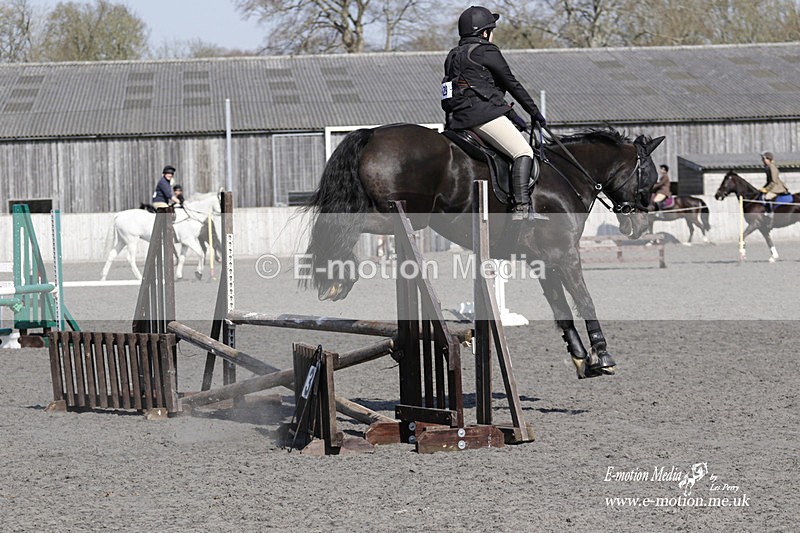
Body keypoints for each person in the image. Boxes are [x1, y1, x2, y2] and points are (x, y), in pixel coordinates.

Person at [441, 5, 547, 220]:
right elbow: (512, 84)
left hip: (458, 121)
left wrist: (514, 117)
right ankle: (521, 207)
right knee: (523, 152)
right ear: (484, 32)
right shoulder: (487, 51)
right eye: (491, 30)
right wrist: (534, 112)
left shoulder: (452, 55)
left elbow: (480, 92)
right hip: (481, 118)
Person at [759, 152, 789, 218]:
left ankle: (770, 212)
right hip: (772, 186)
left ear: (768, 159)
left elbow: (774, 181)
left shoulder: (772, 167)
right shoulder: (767, 167)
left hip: (777, 188)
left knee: (766, 197)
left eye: (764, 159)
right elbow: (768, 181)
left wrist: (766, 189)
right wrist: (762, 188)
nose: (762, 161)